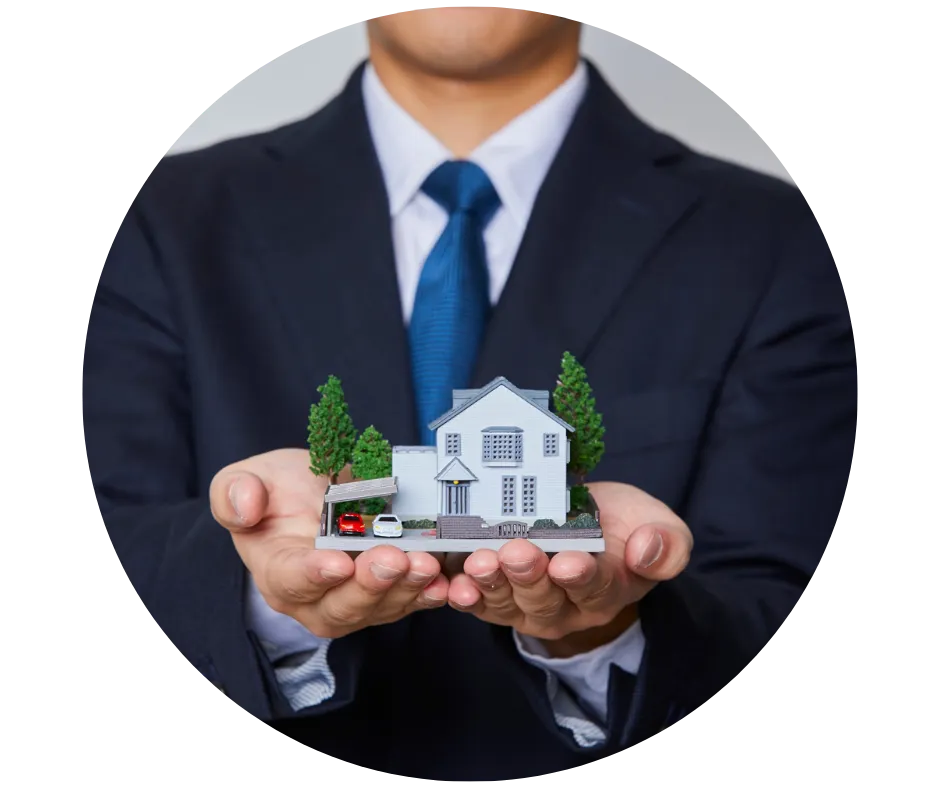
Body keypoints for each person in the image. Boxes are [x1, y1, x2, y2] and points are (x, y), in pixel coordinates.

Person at [81, 8, 857, 782]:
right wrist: (260, 592)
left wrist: (606, 631)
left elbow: (777, 592)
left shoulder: (781, 241)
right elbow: (120, 531)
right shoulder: (160, 216)